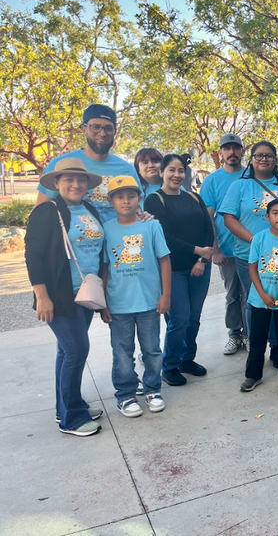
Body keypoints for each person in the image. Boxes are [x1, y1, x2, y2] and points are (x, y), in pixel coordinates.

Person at [25, 159, 106, 437]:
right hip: (60, 296)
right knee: (76, 351)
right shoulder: (47, 211)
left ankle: (67, 405)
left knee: (66, 351)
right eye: (68, 179)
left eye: (80, 180)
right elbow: (32, 255)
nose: (75, 184)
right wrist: (42, 296)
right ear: (57, 183)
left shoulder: (90, 208)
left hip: (85, 293)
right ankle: (71, 418)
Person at [219, 141, 278, 340]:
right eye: (258, 155)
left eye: (268, 156)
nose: (263, 159)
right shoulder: (240, 186)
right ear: (251, 160)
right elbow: (228, 219)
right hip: (248, 254)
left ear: (275, 160)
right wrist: (257, 241)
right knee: (255, 301)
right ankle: (255, 343)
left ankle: (277, 345)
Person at [100, 176, 171, 417]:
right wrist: (103, 303)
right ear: (111, 201)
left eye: (131, 195)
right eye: (119, 196)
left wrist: (165, 295)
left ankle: (152, 388)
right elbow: (105, 268)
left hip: (149, 302)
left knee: (152, 349)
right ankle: (126, 395)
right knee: (122, 352)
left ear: (139, 198)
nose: (126, 201)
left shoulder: (152, 226)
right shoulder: (107, 230)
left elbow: (164, 261)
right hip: (118, 304)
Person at [144, 154, 215, 387]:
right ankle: (170, 364)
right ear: (162, 172)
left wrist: (202, 260)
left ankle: (187, 358)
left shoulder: (194, 197)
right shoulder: (155, 200)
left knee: (194, 317)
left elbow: (208, 229)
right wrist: (198, 251)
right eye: (171, 170)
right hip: (172, 269)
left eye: (181, 171)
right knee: (179, 318)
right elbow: (165, 237)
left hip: (199, 268)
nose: (177, 175)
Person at [37, 104, 141, 224]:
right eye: (96, 127)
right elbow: (41, 211)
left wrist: (143, 215)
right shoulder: (60, 165)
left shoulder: (126, 168)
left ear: (114, 132)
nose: (102, 133)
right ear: (84, 130)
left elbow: (137, 208)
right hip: (73, 241)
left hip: (117, 240)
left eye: (108, 128)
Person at [240, 199, 278, 391]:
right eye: (275, 213)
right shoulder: (259, 238)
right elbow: (252, 268)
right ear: (267, 217)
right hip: (260, 300)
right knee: (257, 338)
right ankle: (253, 375)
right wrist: (262, 294)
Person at [199, 134, 248, 355]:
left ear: (242, 151)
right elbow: (207, 218)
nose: (232, 152)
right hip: (226, 249)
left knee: (250, 294)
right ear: (220, 153)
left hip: (250, 248)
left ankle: (249, 334)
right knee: (231, 294)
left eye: (235, 148)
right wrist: (215, 249)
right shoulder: (212, 181)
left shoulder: (251, 176)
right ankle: (234, 334)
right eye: (227, 149)